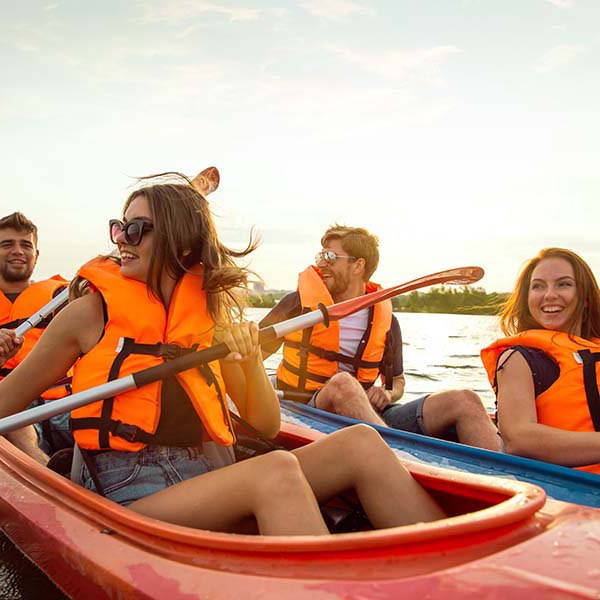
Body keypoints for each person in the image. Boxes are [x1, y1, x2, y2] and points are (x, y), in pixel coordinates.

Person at [0, 173, 445, 535]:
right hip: (130, 495)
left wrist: (248, 359)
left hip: (210, 472)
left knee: (361, 443)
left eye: (135, 228)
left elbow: (266, 423)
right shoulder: (89, 313)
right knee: (274, 474)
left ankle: (455, 575)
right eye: (118, 227)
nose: (122, 239)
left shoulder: (212, 313)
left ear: (182, 243)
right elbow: (7, 403)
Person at [261, 225, 501, 451]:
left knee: (466, 400)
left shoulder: (386, 321)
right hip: (307, 409)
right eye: (320, 257)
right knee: (343, 384)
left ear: (358, 266)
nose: (321, 264)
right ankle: (396, 461)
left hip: (370, 416)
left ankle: (506, 482)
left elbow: (397, 381)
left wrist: (387, 394)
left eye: (331, 258)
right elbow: (253, 356)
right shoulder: (297, 305)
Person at [481, 247, 600, 474]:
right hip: (566, 492)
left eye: (563, 284)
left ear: (585, 297)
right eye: (538, 286)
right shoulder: (518, 359)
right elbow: (519, 439)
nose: (549, 295)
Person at [0, 212, 71, 463]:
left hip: (68, 400)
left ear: (36, 255)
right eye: (7, 244)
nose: (18, 251)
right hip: (13, 409)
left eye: (25, 244)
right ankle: (50, 477)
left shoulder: (64, 295)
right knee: (9, 416)